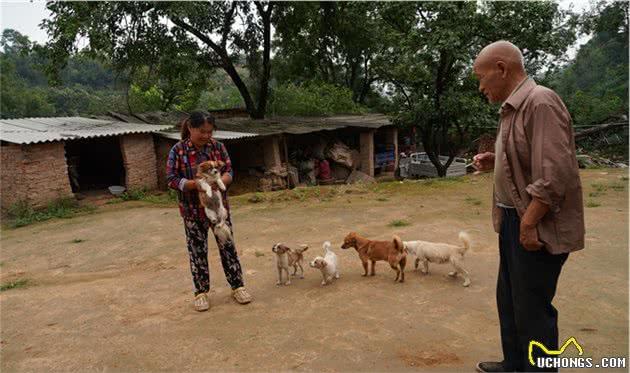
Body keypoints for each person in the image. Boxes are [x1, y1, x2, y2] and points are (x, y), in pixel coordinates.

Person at [472, 41, 585, 372]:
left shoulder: (540, 103)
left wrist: (528, 223)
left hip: (532, 221)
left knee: (533, 309)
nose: (480, 87)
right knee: (510, 302)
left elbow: (555, 174)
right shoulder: (512, 109)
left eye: (481, 78)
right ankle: (514, 364)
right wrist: (497, 160)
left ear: (502, 69)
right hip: (511, 219)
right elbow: (529, 157)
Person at [167, 111, 252, 312]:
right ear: (190, 128)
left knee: (228, 246)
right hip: (192, 212)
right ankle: (201, 293)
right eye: (201, 131)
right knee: (197, 252)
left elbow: (229, 171)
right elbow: (171, 179)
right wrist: (194, 185)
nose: (206, 136)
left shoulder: (218, 147)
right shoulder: (178, 151)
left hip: (219, 208)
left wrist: (220, 183)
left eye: (209, 131)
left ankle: (237, 287)